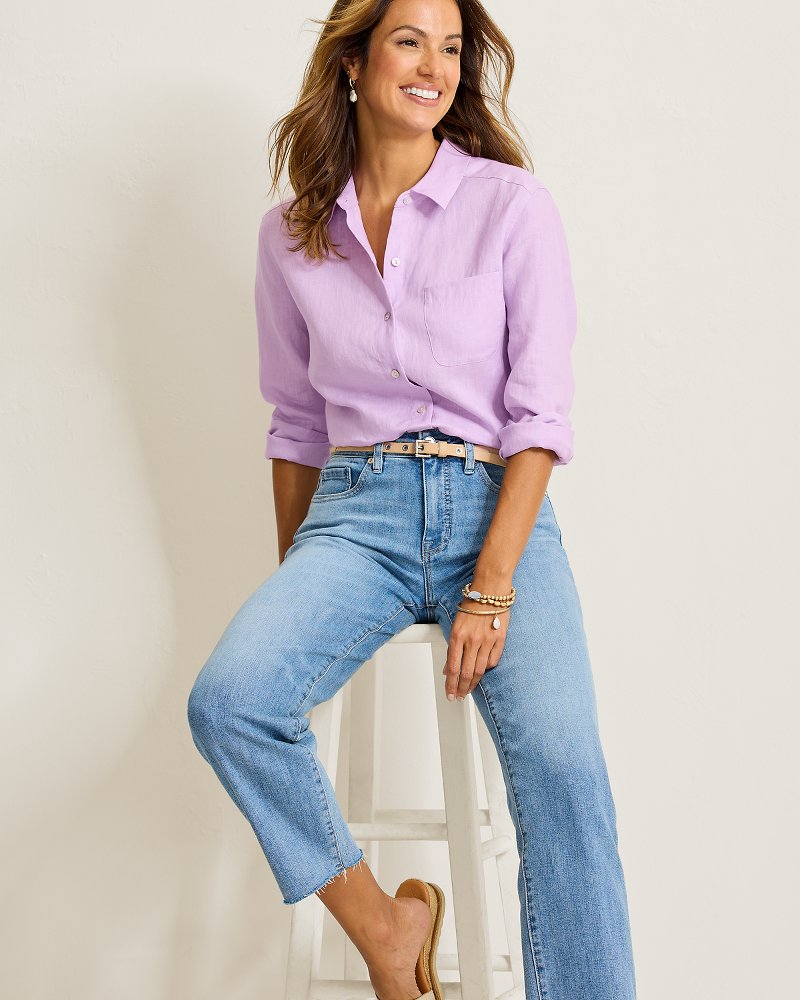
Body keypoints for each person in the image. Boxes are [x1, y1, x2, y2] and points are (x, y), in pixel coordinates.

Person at [187, 1, 638, 998]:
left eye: (451, 47)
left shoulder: (510, 206)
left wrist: (493, 582)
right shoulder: (292, 235)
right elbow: (296, 423)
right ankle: (387, 930)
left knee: (565, 776)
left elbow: (538, 416)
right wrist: (299, 582)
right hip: (356, 516)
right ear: (352, 63)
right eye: (408, 41)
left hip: (496, 507)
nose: (434, 65)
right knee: (231, 701)